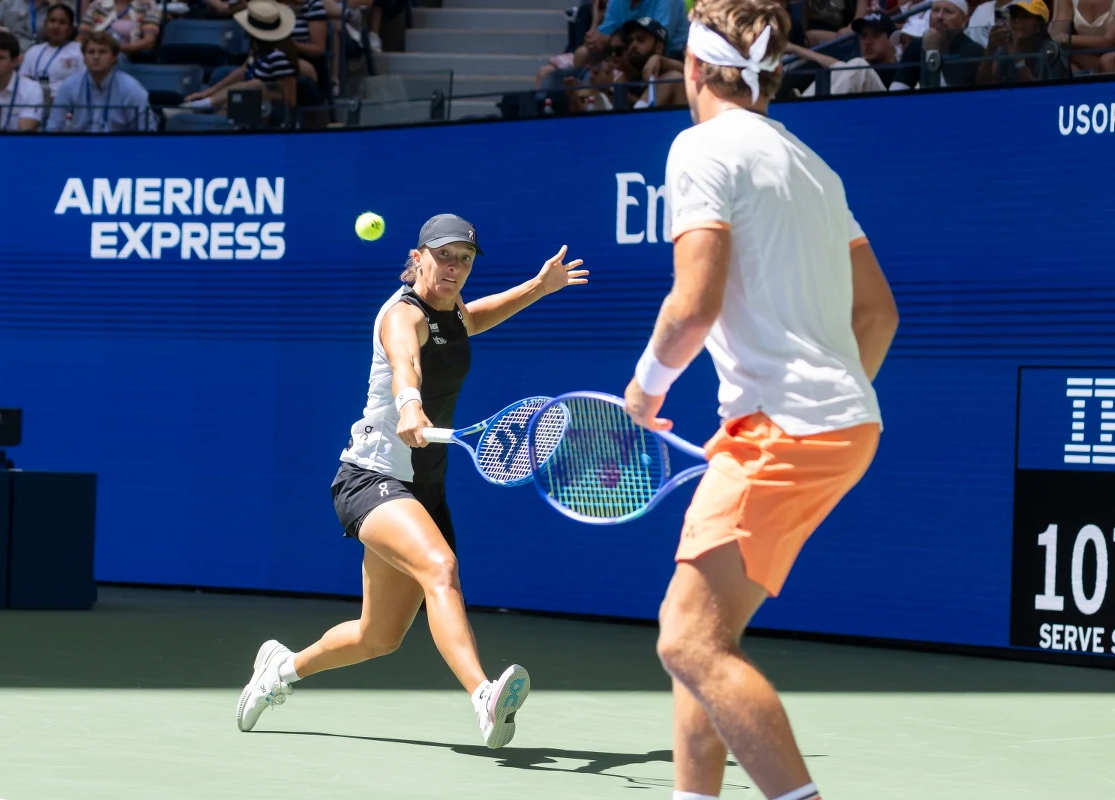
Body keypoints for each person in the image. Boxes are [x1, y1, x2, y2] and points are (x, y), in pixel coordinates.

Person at [621, 2, 899, 800]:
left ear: (697, 68)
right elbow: (878, 313)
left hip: (784, 427)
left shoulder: (700, 147)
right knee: (708, 632)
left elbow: (693, 304)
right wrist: (820, 405)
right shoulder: (814, 166)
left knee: (686, 641)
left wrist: (642, 394)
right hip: (835, 424)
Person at [236, 214, 589, 750]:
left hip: (422, 489)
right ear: (417, 257)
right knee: (441, 569)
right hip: (371, 478)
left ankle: (279, 670)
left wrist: (539, 287)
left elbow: (475, 319)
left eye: (464, 259)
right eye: (443, 256)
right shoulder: (403, 314)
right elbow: (407, 362)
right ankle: (484, 697)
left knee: (378, 636)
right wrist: (409, 404)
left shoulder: (452, 313)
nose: (453, 267)